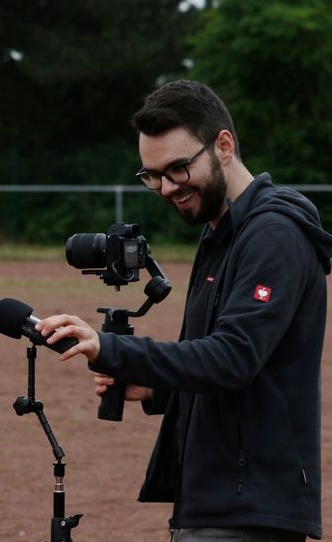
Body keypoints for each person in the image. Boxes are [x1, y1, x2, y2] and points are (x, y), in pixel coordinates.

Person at [35, 80, 331, 541]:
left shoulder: (273, 235)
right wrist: (157, 390)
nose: (166, 188)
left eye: (178, 169)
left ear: (224, 146)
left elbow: (233, 358)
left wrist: (112, 349)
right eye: (152, 175)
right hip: (213, 501)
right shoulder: (220, 236)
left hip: (248, 510)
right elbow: (230, 372)